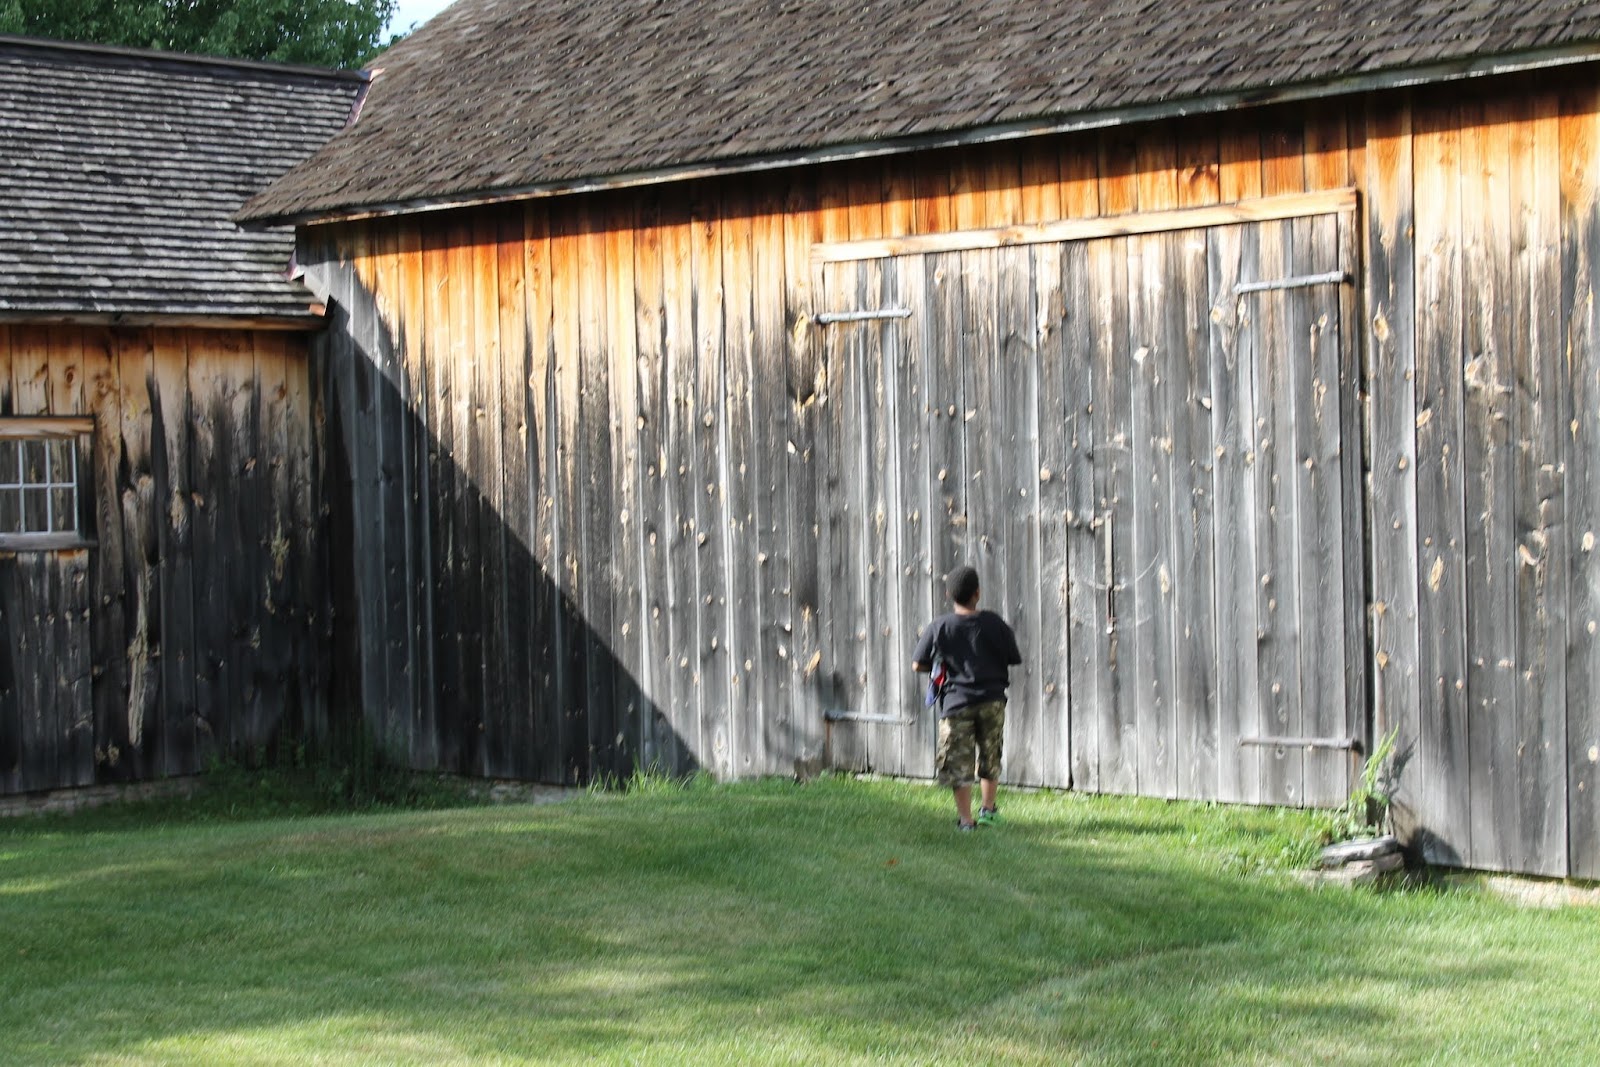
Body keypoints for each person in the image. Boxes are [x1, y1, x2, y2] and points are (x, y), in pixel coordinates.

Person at [910, 565, 1022, 831]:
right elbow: (1013, 657)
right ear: (977, 593)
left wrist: (940, 666)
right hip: (992, 701)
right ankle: (988, 809)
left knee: (959, 763)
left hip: (956, 703)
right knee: (990, 755)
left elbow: (917, 664)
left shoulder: (940, 627)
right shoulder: (995, 623)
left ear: (949, 594)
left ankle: (965, 820)